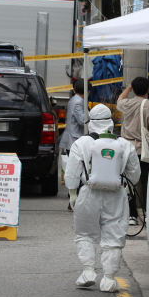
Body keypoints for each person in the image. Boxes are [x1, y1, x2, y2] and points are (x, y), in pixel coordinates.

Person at [65, 104, 140, 293]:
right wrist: (127, 188)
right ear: (110, 122)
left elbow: (71, 174)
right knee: (114, 237)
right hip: (115, 194)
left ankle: (88, 272)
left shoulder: (80, 143)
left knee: (84, 233)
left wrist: (73, 194)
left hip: (88, 193)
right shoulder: (124, 144)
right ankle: (108, 279)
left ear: (91, 123)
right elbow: (134, 174)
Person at [117, 77, 149, 225]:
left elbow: (120, 99)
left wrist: (129, 87)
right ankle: (146, 213)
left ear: (133, 89)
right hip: (143, 150)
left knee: (129, 181)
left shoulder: (126, 104)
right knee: (146, 181)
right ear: (148, 89)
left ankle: (131, 215)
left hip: (126, 149)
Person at [59, 78, 91, 210]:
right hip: (75, 139)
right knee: (79, 170)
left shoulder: (73, 100)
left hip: (72, 138)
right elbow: (83, 121)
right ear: (88, 91)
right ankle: (74, 201)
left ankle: (74, 200)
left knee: (75, 169)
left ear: (74, 90)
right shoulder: (79, 103)